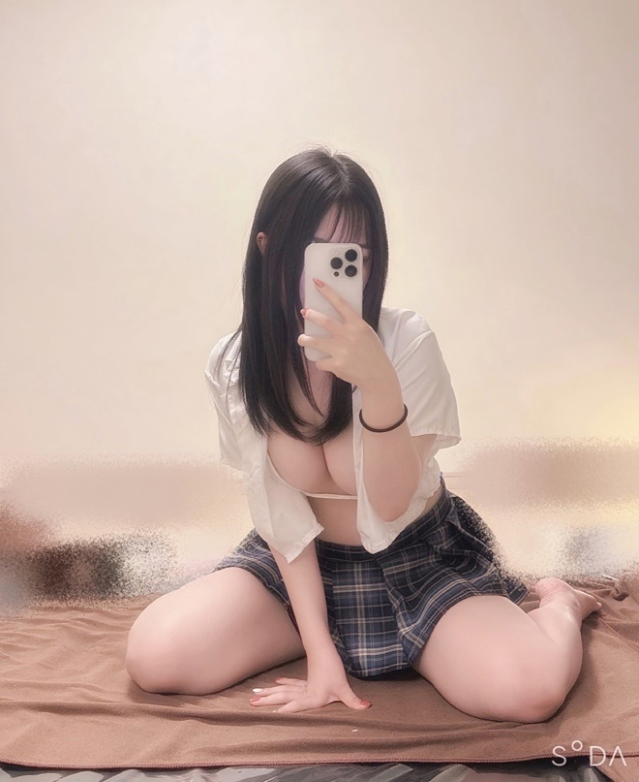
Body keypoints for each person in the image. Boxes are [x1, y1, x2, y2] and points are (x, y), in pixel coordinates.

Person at [125, 146, 603, 722]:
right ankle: (327, 636)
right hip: (300, 565)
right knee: (155, 656)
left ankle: (560, 605)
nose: (335, 271)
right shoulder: (235, 363)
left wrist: (378, 384)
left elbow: (391, 501)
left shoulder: (406, 343)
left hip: (417, 559)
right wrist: (320, 655)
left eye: (353, 256)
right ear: (269, 248)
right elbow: (279, 516)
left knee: (529, 691)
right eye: (317, 250)